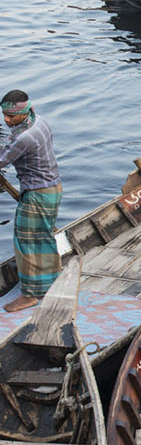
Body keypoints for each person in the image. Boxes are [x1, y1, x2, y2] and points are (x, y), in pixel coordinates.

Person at [0, 91, 62, 313]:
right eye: (4, 115)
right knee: (43, 237)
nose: (6, 120)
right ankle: (51, 281)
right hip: (52, 188)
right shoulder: (39, 121)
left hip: (37, 194)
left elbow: (3, 158)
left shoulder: (23, 138)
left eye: (11, 116)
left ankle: (29, 295)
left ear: (24, 112)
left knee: (26, 243)